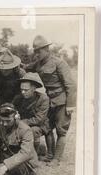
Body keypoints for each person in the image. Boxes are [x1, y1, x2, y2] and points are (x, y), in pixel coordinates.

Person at [26, 35, 76, 165]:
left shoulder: (59, 63)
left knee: (61, 131)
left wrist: (70, 105)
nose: (37, 54)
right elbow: (26, 67)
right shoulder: (38, 64)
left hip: (61, 102)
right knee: (47, 128)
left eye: (39, 51)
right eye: (35, 51)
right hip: (49, 101)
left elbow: (70, 85)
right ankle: (49, 155)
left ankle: (56, 159)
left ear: (47, 49)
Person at [0, 104, 39, 175]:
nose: (5, 124)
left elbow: (25, 153)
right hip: (7, 154)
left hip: (23, 161)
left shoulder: (25, 130)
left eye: (8, 121)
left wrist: (6, 166)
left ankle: (3, 169)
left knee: (16, 167)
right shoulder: (0, 126)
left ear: (16, 117)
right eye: (2, 121)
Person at [12, 72, 50, 155]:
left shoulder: (43, 99)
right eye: (21, 89)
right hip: (22, 123)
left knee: (33, 131)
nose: (23, 92)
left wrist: (21, 122)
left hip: (39, 125)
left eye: (26, 90)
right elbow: (12, 110)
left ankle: (33, 155)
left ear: (34, 89)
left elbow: (39, 119)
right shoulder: (18, 98)